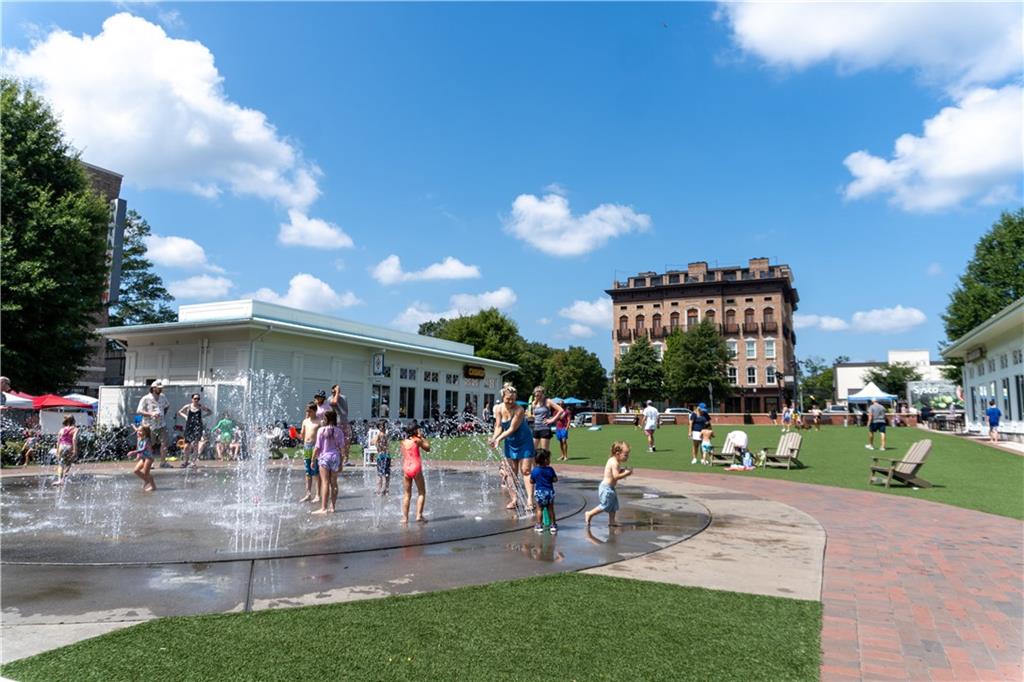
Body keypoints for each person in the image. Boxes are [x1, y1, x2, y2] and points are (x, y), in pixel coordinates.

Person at [488, 383, 537, 511]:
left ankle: (530, 500)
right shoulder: (498, 409)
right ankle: (514, 500)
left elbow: (511, 428)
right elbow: (498, 426)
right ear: (503, 397)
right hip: (510, 442)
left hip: (524, 442)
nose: (511, 401)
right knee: (510, 472)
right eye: (508, 399)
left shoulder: (519, 410)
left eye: (513, 399)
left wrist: (498, 439)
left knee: (525, 471)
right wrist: (494, 438)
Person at [583, 441, 632, 527]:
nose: (627, 457)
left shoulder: (614, 460)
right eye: (626, 455)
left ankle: (612, 521)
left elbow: (615, 473)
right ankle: (589, 513)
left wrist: (622, 470)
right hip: (606, 488)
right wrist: (626, 473)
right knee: (606, 505)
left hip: (610, 487)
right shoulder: (614, 463)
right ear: (618, 453)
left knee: (613, 506)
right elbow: (616, 476)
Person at [312, 410, 344, 514]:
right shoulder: (339, 431)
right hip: (335, 457)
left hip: (324, 458)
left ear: (326, 419)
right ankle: (333, 507)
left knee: (325, 482)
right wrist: (341, 463)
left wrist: (313, 460)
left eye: (324, 418)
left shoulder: (321, 430)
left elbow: (317, 447)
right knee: (334, 483)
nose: (322, 420)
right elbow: (342, 449)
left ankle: (323, 508)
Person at [136, 381, 170, 468]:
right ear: (153, 388)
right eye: (159, 388)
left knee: (164, 443)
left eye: (161, 388)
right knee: (149, 444)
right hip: (149, 425)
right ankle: (148, 462)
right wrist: (151, 414)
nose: (160, 389)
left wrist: (162, 414)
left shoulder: (163, 397)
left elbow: (167, 406)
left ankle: (163, 462)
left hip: (162, 424)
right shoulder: (146, 398)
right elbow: (139, 411)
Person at [400, 423, 429, 524]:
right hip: (416, 467)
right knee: (421, 492)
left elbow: (403, 454)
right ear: (416, 431)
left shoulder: (403, 442)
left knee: (407, 494)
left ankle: (405, 518)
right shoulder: (417, 441)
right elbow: (428, 448)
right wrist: (422, 437)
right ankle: (419, 516)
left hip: (406, 468)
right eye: (418, 430)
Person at [177, 394, 211, 467]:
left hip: (198, 427)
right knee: (186, 446)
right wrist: (185, 416)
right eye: (195, 398)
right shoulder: (188, 406)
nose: (196, 400)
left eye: (198, 399)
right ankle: (186, 461)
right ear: (192, 399)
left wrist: (203, 416)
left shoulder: (201, 407)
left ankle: (193, 462)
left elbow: (210, 412)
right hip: (189, 427)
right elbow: (179, 412)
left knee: (195, 445)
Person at [530, 448, 558, 533]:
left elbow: (531, 481)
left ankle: (539, 525)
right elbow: (555, 479)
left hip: (539, 492)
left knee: (539, 509)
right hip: (549, 492)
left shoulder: (535, 470)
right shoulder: (550, 469)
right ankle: (553, 525)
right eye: (549, 458)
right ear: (545, 460)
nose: (550, 460)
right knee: (550, 509)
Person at [298, 403, 320, 503]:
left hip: (315, 447)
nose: (307, 412)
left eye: (309, 410)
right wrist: (295, 434)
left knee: (315, 472)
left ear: (314, 411)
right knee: (308, 472)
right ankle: (308, 494)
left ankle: (318, 495)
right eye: (306, 410)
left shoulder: (319, 421)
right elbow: (302, 436)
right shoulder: (305, 421)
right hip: (307, 447)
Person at [128, 424, 157, 492]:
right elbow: (139, 448)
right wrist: (138, 456)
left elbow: (143, 449)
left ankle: (153, 486)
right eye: (138, 431)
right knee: (136, 470)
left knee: (146, 473)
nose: (138, 432)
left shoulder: (147, 440)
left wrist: (133, 452)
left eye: (140, 431)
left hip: (149, 458)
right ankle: (146, 480)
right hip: (143, 458)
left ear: (145, 432)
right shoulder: (139, 438)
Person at [53, 415, 79, 486]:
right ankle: (64, 480)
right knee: (68, 464)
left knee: (61, 464)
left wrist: (57, 450)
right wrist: (75, 449)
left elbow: (58, 440)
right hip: (69, 446)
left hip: (61, 446)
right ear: (74, 421)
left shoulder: (62, 429)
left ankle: (59, 480)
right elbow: (74, 439)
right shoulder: (75, 429)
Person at [330, 384, 351, 466]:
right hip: (336, 423)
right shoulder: (330, 399)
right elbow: (334, 402)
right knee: (337, 442)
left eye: (337, 390)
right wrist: (337, 392)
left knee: (347, 441)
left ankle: (346, 459)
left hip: (345, 422)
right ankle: (337, 458)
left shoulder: (344, 398)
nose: (335, 392)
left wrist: (338, 393)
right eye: (334, 390)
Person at [374, 421, 392, 496]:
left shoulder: (381, 435)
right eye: (383, 426)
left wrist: (379, 448)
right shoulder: (381, 435)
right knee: (386, 474)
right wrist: (381, 448)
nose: (384, 428)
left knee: (380, 474)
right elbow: (375, 442)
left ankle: (380, 490)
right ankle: (385, 490)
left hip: (382, 456)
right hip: (385, 456)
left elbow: (374, 443)